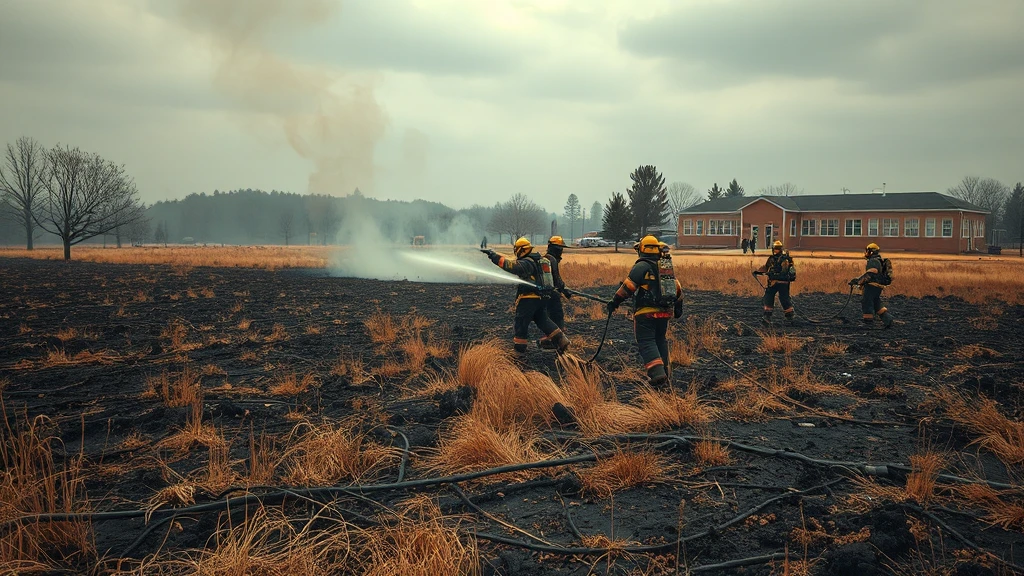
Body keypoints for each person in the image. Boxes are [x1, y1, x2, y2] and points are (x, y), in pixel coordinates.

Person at [606, 235, 683, 387]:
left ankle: (657, 374)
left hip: (645, 313)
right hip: (664, 313)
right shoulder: (665, 267)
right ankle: (665, 373)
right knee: (660, 340)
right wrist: (678, 309)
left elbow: (628, 287)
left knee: (646, 341)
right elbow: (677, 287)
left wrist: (614, 302)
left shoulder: (641, 266)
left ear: (641, 249)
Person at [484, 237, 571, 354]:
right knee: (543, 320)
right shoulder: (539, 260)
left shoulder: (527, 262)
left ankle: (519, 351)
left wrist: (494, 256)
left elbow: (512, 266)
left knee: (521, 322)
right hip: (542, 298)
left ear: (521, 250)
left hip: (528, 299)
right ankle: (561, 340)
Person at [538, 236, 573, 349]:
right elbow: (556, 279)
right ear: (555, 249)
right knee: (557, 315)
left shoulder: (546, 258)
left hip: (546, 294)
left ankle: (554, 338)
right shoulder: (551, 259)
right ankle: (556, 340)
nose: (561, 252)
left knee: (550, 315)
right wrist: (564, 290)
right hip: (552, 294)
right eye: (560, 249)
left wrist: (564, 288)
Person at [849, 242, 893, 328]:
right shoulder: (879, 260)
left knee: (867, 301)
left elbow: (871, 273)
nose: (866, 253)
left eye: (867, 251)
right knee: (876, 302)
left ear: (871, 252)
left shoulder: (873, 261)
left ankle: (868, 322)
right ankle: (887, 319)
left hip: (872, 286)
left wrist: (858, 281)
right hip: (878, 287)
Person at [752, 240, 797, 325]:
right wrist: (758, 272)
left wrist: (772, 274)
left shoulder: (783, 260)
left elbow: (783, 271)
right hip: (778, 282)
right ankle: (788, 316)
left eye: (776, 248)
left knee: (773, 297)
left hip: (777, 282)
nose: (776, 250)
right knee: (781, 298)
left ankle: (771, 316)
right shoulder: (778, 258)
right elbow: (766, 268)